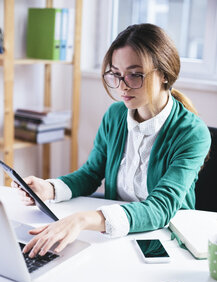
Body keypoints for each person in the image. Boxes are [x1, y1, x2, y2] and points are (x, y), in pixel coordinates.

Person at [12, 23, 211, 258]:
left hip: (166, 240)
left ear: (165, 75)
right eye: (116, 74)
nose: (122, 86)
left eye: (135, 75)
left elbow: (161, 208)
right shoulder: (115, 116)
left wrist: (82, 219)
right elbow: (90, 174)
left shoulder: (191, 133)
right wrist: (49, 188)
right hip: (114, 234)